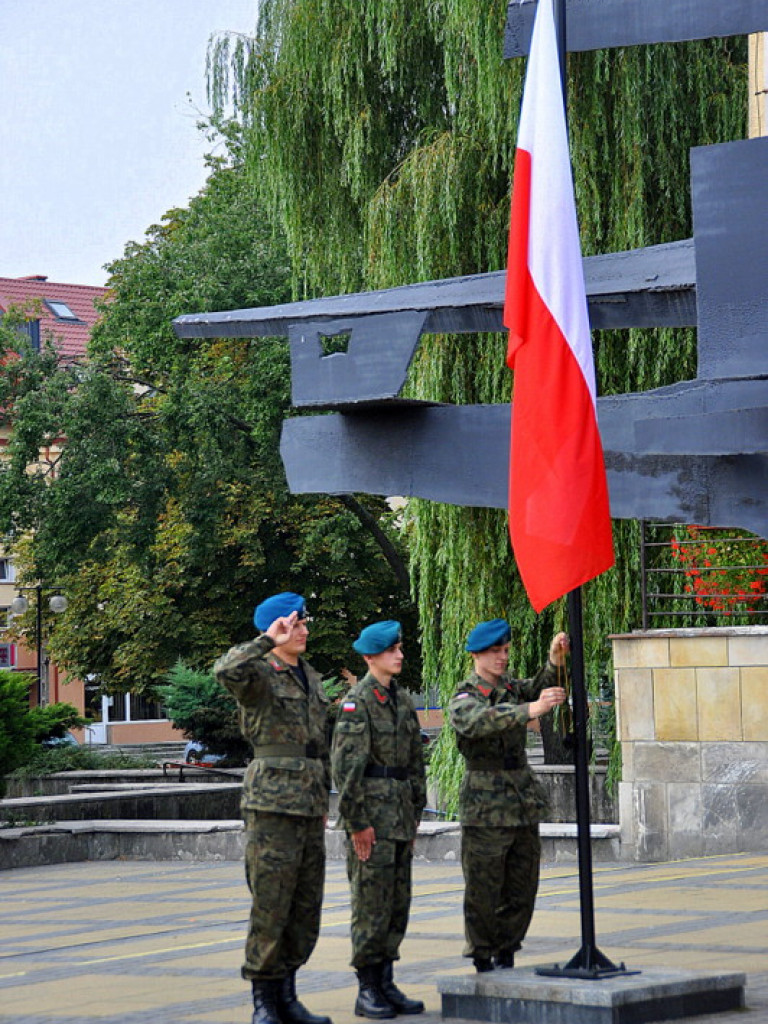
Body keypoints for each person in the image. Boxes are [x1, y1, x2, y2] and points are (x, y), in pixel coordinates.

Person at [214, 592, 332, 1024]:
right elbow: (225, 669)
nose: (302, 630)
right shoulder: (259, 672)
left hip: (308, 802)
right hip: (271, 805)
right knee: (271, 902)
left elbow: (320, 746)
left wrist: (323, 797)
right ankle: (264, 1000)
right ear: (275, 628)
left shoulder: (310, 676)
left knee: (305, 904)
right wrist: (267, 639)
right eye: (293, 624)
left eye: (303, 623)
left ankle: (288, 994)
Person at [448, 619, 569, 973]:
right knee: (484, 889)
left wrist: (555, 661)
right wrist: (529, 710)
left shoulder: (512, 688)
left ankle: (507, 951)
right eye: (494, 651)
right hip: (485, 807)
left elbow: (539, 687)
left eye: (505, 650)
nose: (502, 657)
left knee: (522, 887)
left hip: (520, 803)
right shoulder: (465, 696)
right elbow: (476, 721)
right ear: (475, 655)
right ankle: (483, 957)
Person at [331, 620, 427, 1019]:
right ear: (371, 657)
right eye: (391, 650)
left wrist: (416, 813)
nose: (400, 655)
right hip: (371, 819)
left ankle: (386, 981)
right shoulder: (358, 701)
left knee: (396, 904)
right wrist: (356, 823)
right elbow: (346, 768)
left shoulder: (402, 701)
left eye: (400, 648)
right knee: (370, 905)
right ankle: (367, 987)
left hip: (400, 817)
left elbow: (415, 764)